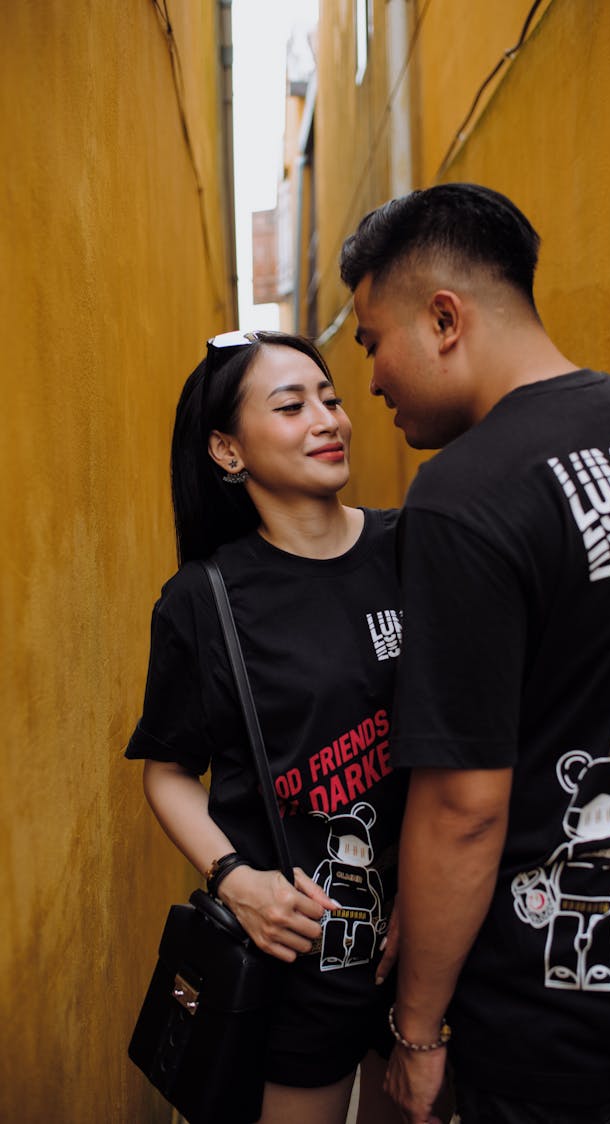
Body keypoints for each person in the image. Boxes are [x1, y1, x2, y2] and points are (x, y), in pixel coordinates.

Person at [339, 183, 610, 1124]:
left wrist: (418, 1031)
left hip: (551, 1032)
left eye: (371, 343)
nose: (370, 381)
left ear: (444, 318)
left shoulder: (462, 498)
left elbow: (465, 808)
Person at [126, 330, 408, 1124]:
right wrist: (236, 881)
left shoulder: (411, 547)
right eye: (292, 406)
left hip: (428, 944)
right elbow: (169, 769)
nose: (328, 420)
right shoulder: (202, 600)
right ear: (226, 450)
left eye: (331, 398)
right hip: (302, 951)